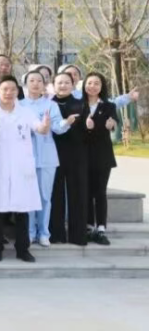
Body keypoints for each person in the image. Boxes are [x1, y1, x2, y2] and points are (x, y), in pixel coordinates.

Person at [0, 77, 51, 262]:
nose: (9, 93)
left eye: (12, 89)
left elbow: (40, 129)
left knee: (23, 210)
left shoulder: (26, 112)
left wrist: (45, 125)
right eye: (4, 89)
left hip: (21, 168)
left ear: (18, 91)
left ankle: (23, 249)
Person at [22, 69, 74, 247]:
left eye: (39, 80)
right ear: (25, 84)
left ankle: (44, 233)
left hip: (47, 157)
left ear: (44, 85)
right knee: (28, 197)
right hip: (24, 157)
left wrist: (66, 122)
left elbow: (58, 128)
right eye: (32, 80)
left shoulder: (51, 105)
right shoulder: (19, 105)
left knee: (45, 196)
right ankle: (29, 232)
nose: (35, 84)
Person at [49, 71, 89, 246]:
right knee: (55, 194)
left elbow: (88, 130)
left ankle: (78, 235)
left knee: (77, 193)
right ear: (53, 85)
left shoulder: (81, 104)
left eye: (67, 82)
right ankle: (56, 233)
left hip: (77, 154)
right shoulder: (48, 104)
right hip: (53, 153)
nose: (63, 85)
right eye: (59, 82)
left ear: (73, 85)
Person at [82, 71, 118, 245]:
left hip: (103, 155)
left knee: (100, 192)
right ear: (84, 85)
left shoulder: (109, 106)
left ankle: (101, 228)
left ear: (102, 86)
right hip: (83, 155)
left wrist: (111, 125)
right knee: (87, 192)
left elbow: (113, 122)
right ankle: (89, 227)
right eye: (89, 83)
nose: (92, 86)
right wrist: (87, 127)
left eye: (97, 83)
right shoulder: (79, 105)